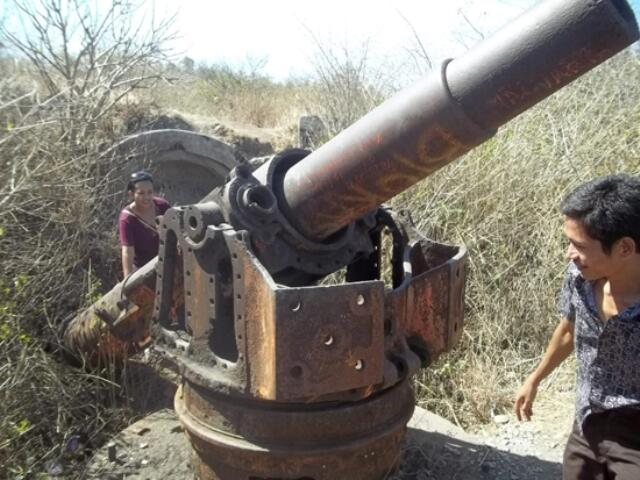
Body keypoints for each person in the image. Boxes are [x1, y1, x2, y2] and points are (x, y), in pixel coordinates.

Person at [514, 174, 640, 479]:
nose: (569, 254)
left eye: (578, 245)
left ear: (624, 248)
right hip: (586, 425)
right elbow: (570, 328)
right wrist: (535, 377)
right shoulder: (579, 276)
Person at [118, 171, 171, 278]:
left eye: (150, 192)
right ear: (131, 194)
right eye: (141, 193)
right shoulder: (127, 218)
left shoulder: (162, 206)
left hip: (167, 261)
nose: (146, 197)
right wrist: (128, 278)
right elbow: (128, 251)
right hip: (144, 269)